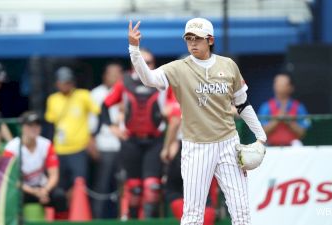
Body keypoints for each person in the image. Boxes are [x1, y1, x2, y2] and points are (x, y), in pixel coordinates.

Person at [128, 18, 267, 225]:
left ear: (210, 40)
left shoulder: (228, 65)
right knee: (193, 214)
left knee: (241, 211)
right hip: (196, 146)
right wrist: (134, 49)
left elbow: (243, 104)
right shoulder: (178, 68)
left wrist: (261, 136)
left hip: (228, 143)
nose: (192, 43)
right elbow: (148, 79)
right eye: (189, 38)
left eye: (198, 39)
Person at [100, 49, 166, 219]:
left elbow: (176, 107)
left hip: (155, 140)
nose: (146, 66)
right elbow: (105, 105)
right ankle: (134, 219)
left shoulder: (163, 80)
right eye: (143, 62)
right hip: (131, 141)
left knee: (152, 187)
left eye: (150, 63)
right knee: (134, 188)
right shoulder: (125, 82)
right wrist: (112, 127)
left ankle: (150, 221)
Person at [161, 88, 216, 225]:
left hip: (187, 147)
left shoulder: (183, 93)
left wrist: (166, 148)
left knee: (173, 189)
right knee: (204, 195)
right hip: (209, 148)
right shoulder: (210, 96)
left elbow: (174, 123)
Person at [45, 66, 100, 197]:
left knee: (80, 182)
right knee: (60, 185)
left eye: (69, 81)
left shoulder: (83, 95)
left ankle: (79, 215)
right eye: (63, 82)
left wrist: (92, 136)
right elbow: (50, 125)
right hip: (59, 149)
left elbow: (99, 114)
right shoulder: (52, 99)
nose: (67, 85)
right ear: (57, 83)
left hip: (79, 148)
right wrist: (49, 147)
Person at [3, 111, 68, 219]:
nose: (34, 128)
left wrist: (45, 190)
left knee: (59, 196)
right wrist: (34, 192)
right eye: (30, 125)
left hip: (42, 187)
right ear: (22, 127)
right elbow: (12, 180)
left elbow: (54, 175)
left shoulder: (46, 144)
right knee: (11, 198)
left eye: (37, 125)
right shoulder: (11, 148)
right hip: (24, 189)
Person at [89, 62, 123, 218]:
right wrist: (91, 143)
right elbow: (92, 123)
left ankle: (122, 217)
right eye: (112, 74)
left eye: (118, 74)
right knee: (102, 184)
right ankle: (98, 217)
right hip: (104, 145)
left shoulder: (126, 91)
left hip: (124, 145)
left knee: (123, 185)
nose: (115, 77)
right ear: (104, 76)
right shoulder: (96, 94)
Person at [258, 73, 310, 146]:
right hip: (271, 147)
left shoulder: (299, 107)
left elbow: (302, 133)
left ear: (291, 88)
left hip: (293, 147)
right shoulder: (266, 107)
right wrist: (277, 119)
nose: (279, 87)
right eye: (277, 84)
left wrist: (289, 121)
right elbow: (261, 133)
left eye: (283, 84)